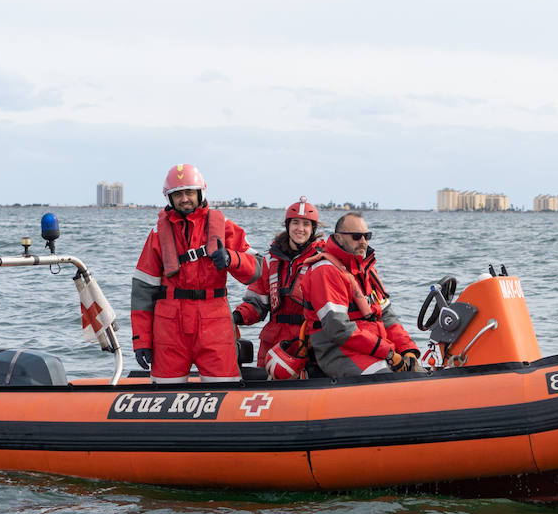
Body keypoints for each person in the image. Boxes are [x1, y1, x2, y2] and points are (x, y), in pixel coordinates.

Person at [130, 163, 260, 383]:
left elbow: (256, 269)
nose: (184, 199)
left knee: (224, 394)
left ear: (200, 192)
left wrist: (231, 258)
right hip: (169, 327)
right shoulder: (157, 233)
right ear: (169, 198)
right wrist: (141, 341)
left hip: (214, 322)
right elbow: (143, 291)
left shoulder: (224, 226)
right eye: (178, 194)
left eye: (189, 192)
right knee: (164, 397)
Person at [298, 211, 423, 377]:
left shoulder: (366, 271)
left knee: (418, 374)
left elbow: (387, 317)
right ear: (339, 238)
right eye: (357, 236)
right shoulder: (325, 271)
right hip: (338, 351)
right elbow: (338, 328)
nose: (363, 242)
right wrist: (389, 353)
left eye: (367, 236)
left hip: (375, 348)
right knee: (386, 379)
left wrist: (408, 350)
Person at [233, 197, 325, 375]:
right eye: (295, 223)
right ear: (288, 225)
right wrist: (236, 316)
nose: (300, 228)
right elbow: (256, 303)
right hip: (273, 341)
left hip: (307, 342)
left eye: (306, 224)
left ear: (313, 229)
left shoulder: (322, 261)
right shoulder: (270, 260)